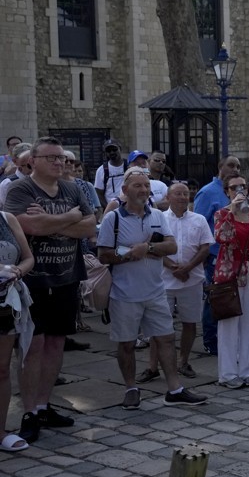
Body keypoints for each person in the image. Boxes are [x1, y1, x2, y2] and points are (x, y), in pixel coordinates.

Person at [5, 137, 96, 442]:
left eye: (62, 158)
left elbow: (90, 226)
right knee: (33, 347)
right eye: (52, 158)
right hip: (34, 283)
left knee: (56, 344)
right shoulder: (21, 189)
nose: (60, 163)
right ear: (33, 161)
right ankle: (29, 411)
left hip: (66, 276)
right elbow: (26, 227)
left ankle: (44, 405)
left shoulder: (73, 189)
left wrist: (51, 221)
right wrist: (70, 217)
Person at [97, 167, 207, 410]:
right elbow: (103, 255)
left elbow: (171, 247)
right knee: (126, 344)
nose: (144, 190)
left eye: (146, 186)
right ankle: (131, 388)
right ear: (125, 190)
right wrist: (128, 253)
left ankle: (175, 388)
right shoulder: (112, 219)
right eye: (138, 186)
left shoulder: (157, 216)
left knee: (166, 339)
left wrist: (146, 249)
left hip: (155, 291)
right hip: (124, 294)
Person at [136, 183, 212, 383]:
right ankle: (153, 366)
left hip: (192, 278)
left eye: (186, 194)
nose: (182, 197)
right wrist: (172, 267)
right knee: (157, 326)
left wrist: (187, 268)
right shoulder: (158, 219)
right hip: (164, 280)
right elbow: (151, 247)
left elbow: (205, 247)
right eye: (177, 193)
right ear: (168, 197)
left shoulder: (199, 219)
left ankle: (183, 361)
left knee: (190, 322)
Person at [212, 174, 249, 388]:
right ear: (227, 192)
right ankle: (227, 373)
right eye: (234, 188)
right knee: (228, 324)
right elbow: (222, 238)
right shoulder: (222, 214)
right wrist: (233, 211)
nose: (239, 190)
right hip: (230, 275)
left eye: (242, 186)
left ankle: (248, 370)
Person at [193, 155, 242, 355]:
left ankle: (230, 339)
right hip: (215, 257)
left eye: (238, 166)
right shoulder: (207, 193)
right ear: (220, 166)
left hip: (236, 257)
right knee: (215, 298)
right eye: (231, 165)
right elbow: (199, 225)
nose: (235, 169)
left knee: (232, 299)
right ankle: (211, 340)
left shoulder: (237, 192)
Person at [0, 209, 35, 451]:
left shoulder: (7, 218)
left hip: (6, 303)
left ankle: (0, 432)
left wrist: (18, 271)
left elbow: (28, 257)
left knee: (2, 369)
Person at [94, 139, 126, 207]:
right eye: (108, 151)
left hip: (129, 207)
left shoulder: (129, 166)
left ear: (120, 149)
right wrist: (108, 208)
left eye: (114, 149)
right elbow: (99, 193)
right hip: (111, 209)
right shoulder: (101, 170)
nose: (112, 152)